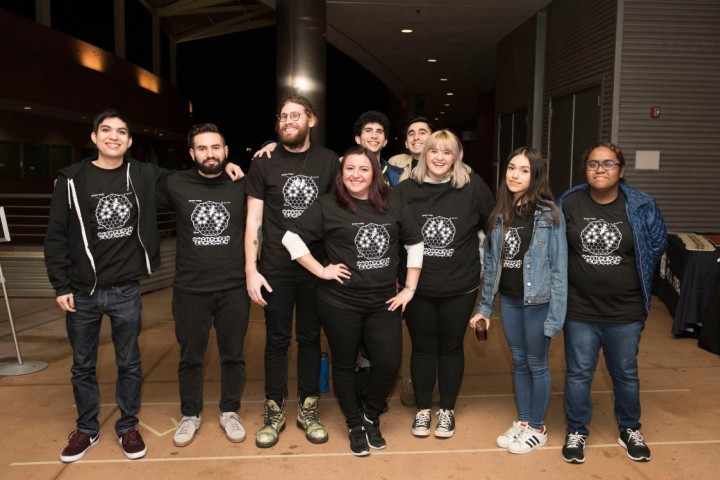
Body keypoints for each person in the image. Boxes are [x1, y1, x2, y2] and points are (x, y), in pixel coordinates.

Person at [44, 109, 242, 463]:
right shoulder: (72, 180)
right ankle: (88, 428)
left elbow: (214, 174)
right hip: (84, 289)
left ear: (130, 141)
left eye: (121, 132)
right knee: (82, 365)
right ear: (94, 138)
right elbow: (56, 236)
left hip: (127, 289)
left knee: (130, 363)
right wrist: (60, 284)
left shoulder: (144, 173)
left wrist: (244, 158)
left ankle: (128, 426)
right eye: (106, 131)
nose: (114, 137)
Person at [281, 145, 424, 456]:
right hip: (339, 302)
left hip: (383, 302)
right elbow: (290, 238)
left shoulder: (393, 201)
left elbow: (415, 244)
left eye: (363, 169)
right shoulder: (327, 204)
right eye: (350, 169)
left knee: (387, 363)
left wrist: (409, 289)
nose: (356, 175)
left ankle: (372, 415)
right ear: (341, 173)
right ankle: (355, 424)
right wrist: (321, 270)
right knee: (344, 365)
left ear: (374, 173)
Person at [556, 142, 667, 464]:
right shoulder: (569, 202)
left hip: (626, 309)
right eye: (593, 164)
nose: (600, 170)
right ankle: (577, 429)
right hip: (579, 309)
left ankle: (630, 428)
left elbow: (657, 244)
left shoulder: (642, 205)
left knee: (625, 373)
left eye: (608, 163)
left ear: (621, 169)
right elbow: (555, 248)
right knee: (578, 373)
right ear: (585, 169)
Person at [245, 95, 339, 448]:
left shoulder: (330, 161)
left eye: (295, 115)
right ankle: (274, 411)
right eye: (283, 116)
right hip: (275, 270)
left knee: (311, 339)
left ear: (311, 120)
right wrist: (250, 270)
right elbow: (253, 220)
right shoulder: (263, 163)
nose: (288, 121)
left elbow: (342, 213)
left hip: (317, 268)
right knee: (276, 341)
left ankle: (308, 409)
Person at [395, 130, 494, 439]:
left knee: (451, 348)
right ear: (423, 155)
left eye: (446, 152)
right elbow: (391, 233)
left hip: (460, 286)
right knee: (422, 348)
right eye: (433, 151)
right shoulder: (405, 190)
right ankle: (424, 410)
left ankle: (447, 411)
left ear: (456, 156)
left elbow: (493, 229)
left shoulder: (474, 187)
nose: (439, 157)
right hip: (417, 288)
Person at [157, 123, 250, 447]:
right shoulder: (175, 183)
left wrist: (266, 148)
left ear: (225, 151)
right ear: (192, 153)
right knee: (190, 357)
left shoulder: (242, 183)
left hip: (233, 287)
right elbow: (133, 176)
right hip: (189, 290)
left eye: (215, 148)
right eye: (202, 148)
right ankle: (190, 414)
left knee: (233, 355)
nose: (209, 154)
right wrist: (71, 175)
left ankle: (229, 411)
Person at [470, 147, 567, 453]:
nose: (515, 175)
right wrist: (485, 307)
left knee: (537, 365)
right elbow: (492, 265)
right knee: (520, 363)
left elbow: (559, 269)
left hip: (538, 302)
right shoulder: (501, 214)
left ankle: (539, 428)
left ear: (536, 175)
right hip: (510, 301)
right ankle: (524, 422)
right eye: (512, 168)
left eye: (524, 170)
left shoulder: (549, 214)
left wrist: (556, 317)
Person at [351, 110, 404, 187]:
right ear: (358, 139)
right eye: (368, 131)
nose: (374, 136)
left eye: (379, 132)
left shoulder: (396, 174)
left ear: (385, 142)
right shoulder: (344, 169)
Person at [388, 117, 433, 182]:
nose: (416, 137)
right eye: (411, 134)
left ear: (433, 138)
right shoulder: (395, 162)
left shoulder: (440, 164)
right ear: (406, 143)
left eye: (422, 133)